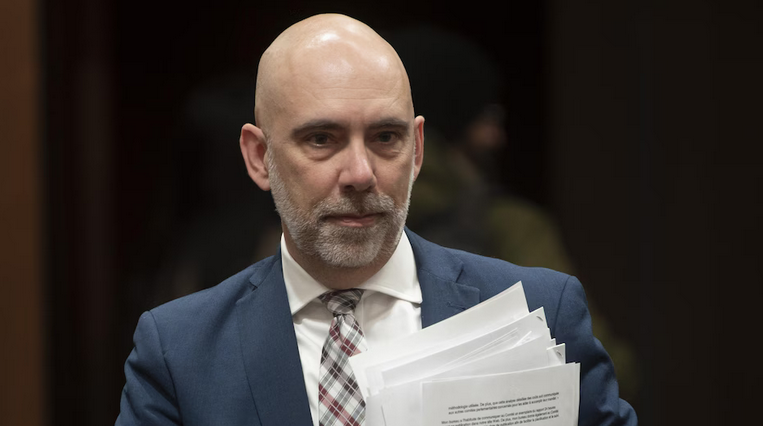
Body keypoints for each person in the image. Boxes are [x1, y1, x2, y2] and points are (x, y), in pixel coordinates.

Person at [116, 13, 637, 426]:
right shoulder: (180, 351)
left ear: (417, 150)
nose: (361, 174)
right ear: (259, 157)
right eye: (322, 139)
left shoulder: (539, 311)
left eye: (386, 138)